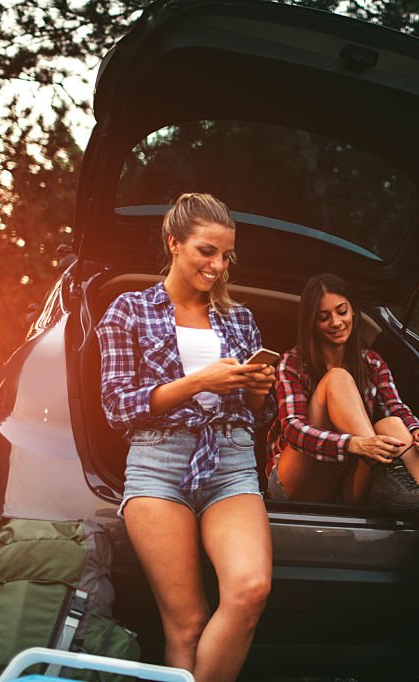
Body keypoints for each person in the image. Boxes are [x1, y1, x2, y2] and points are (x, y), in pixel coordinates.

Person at [96, 192, 277, 681]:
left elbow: (259, 419)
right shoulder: (128, 310)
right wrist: (200, 382)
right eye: (206, 251)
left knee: (250, 588)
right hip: (158, 465)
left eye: (225, 255)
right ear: (174, 243)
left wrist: (258, 392)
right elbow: (117, 405)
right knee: (187, 623)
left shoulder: (239, 318)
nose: (218, 265)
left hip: (231, 462)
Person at [264, 272, 419, 593]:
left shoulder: (372, 362)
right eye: (323, 317)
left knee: (395, 426)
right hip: (297, 482)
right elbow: (294, 430)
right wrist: (357, 444)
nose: (336, 322)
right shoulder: (292, 363)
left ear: (353, 310)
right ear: (311, 322)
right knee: (338, 379)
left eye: (342, 311)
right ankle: (385, 471)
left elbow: (397, 409)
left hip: (350, 484)